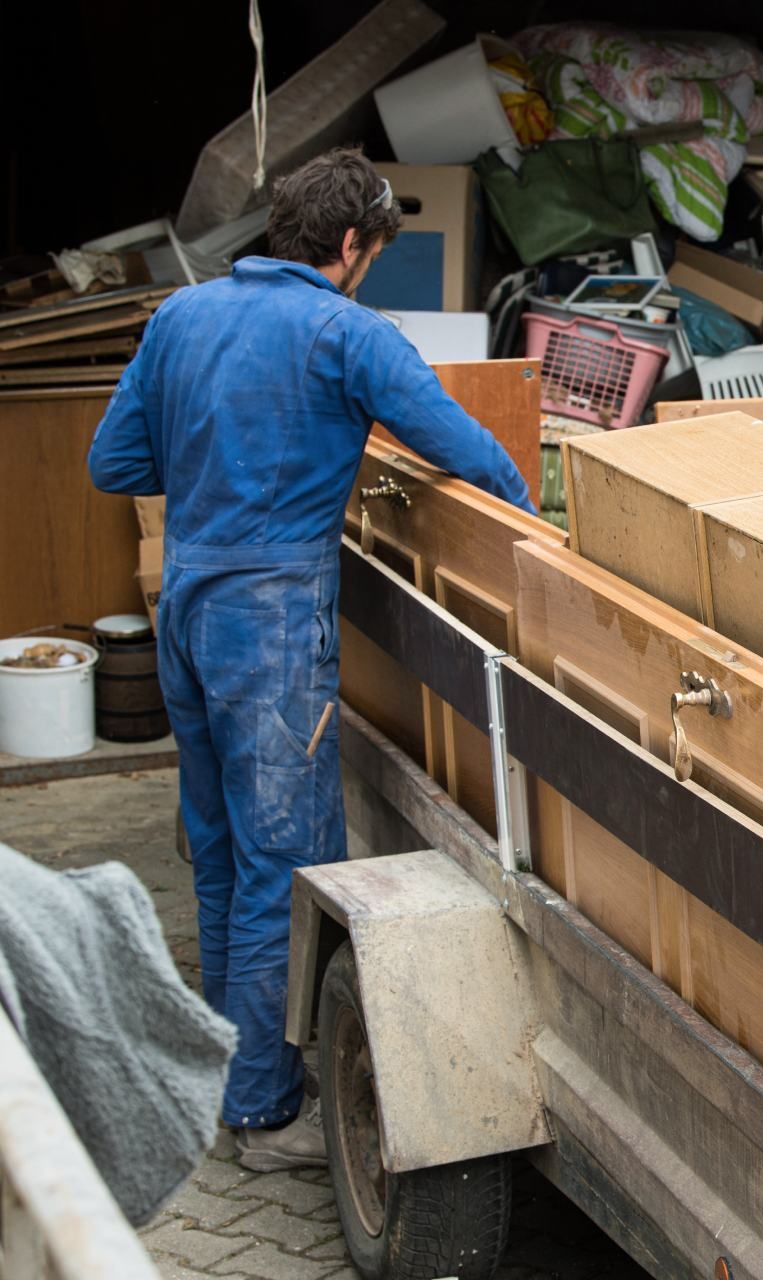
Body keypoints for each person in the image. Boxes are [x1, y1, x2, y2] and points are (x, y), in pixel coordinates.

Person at [87, 147, 533, 1172]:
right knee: (280, 866)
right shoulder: (347, 333)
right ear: (348, 245)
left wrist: (207, 460)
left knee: (219, 843)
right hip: (271, 622)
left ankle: (220, 1066)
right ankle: (260, 1107)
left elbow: (112, 461)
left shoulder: (182, 317)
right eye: (373, 250)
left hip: (189, 611)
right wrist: (536, 525)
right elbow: (461, 446)